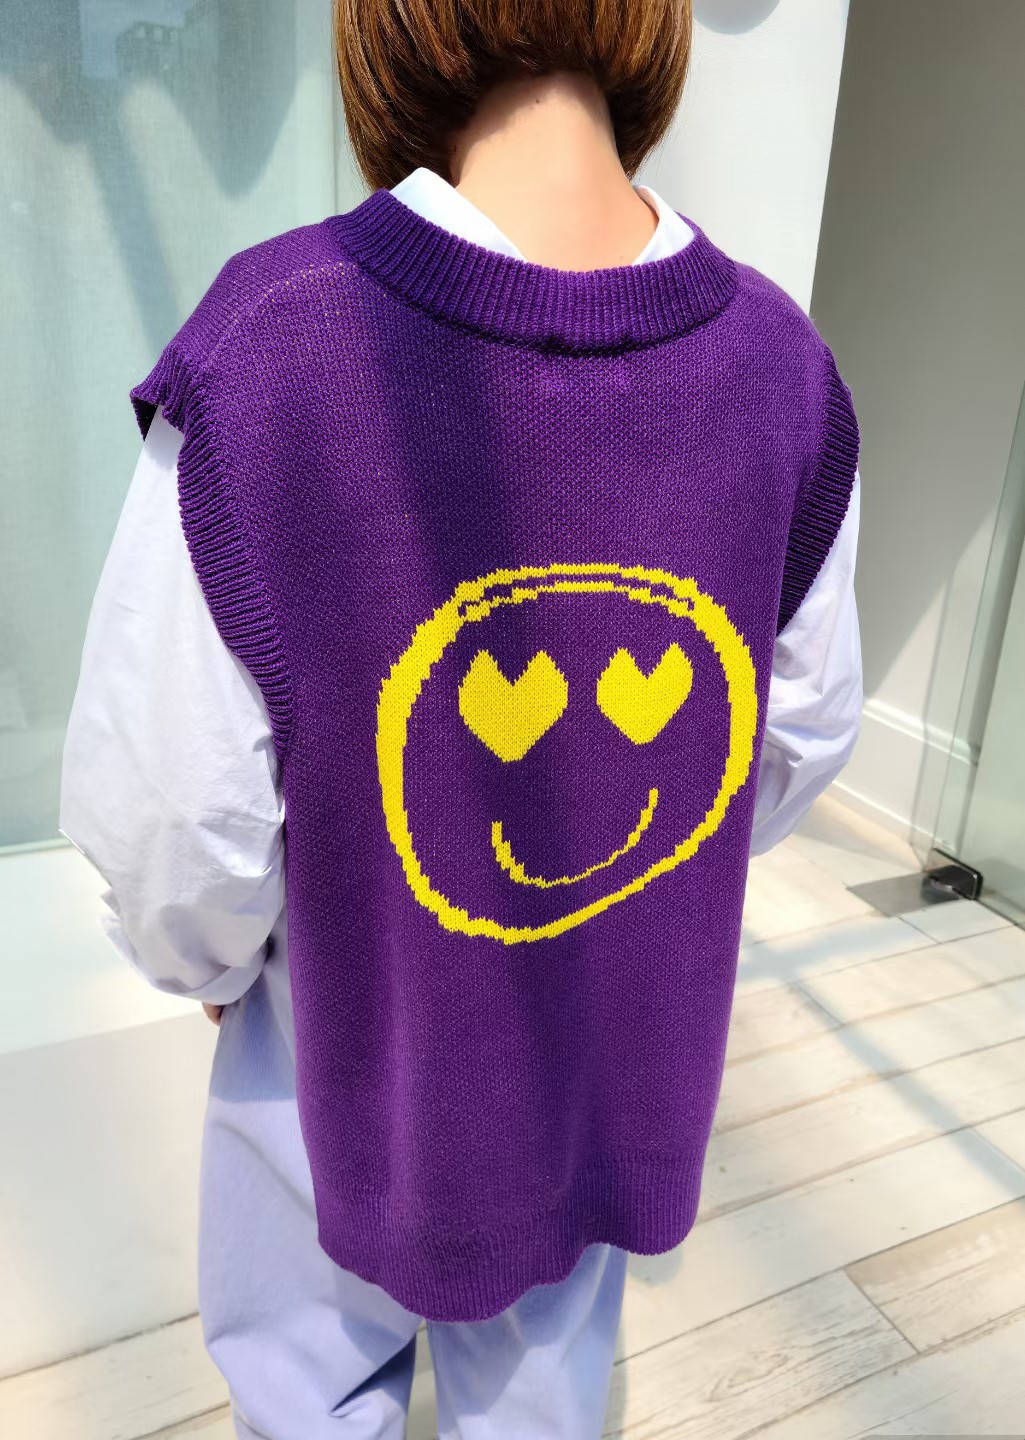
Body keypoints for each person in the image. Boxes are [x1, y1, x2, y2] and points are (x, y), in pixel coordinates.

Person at [60, 2, 862, 1435]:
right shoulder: (783, 373)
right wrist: (642, 897)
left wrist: (204, 956)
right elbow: (792, 733)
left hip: (335, 1039)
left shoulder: (269, 345)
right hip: (605, 1054)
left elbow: (172, 802)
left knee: (306, 1375)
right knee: (544, 1385)